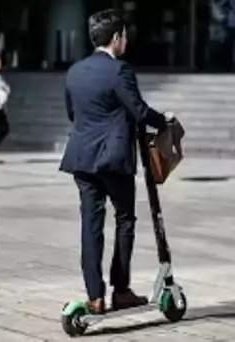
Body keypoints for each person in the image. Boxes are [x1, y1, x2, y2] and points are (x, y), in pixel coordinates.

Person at [59, 9, 174, 314]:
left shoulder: (74, 71)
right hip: (112, 159)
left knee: (90, 225)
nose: (126, 40)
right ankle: (120, 290)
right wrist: (163, 120)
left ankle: (95, 296)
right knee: (125, 219)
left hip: (81, 159)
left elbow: (73, 114)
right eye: (124, 35)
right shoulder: (120, 70)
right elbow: (138, 110)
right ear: (116, 38)